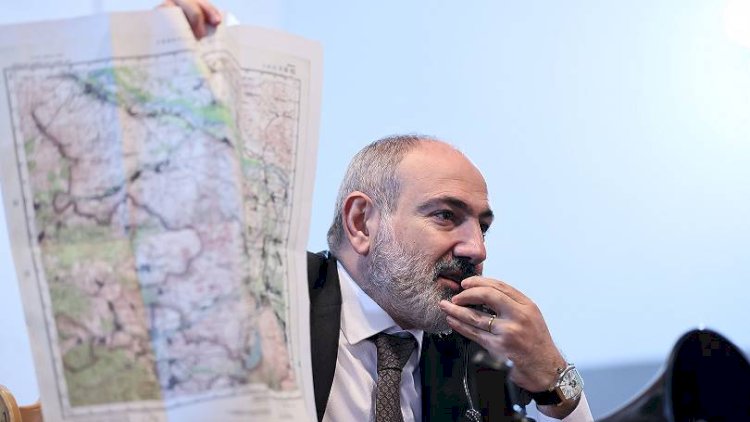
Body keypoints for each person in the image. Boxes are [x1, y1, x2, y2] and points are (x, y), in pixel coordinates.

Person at [166, 4, 594, 421]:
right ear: (361, 223)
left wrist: (552, 376)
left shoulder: (479, 351)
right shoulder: (269, 298)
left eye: (482, 227)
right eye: (446, 216)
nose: (476, 249)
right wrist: (163, 61)